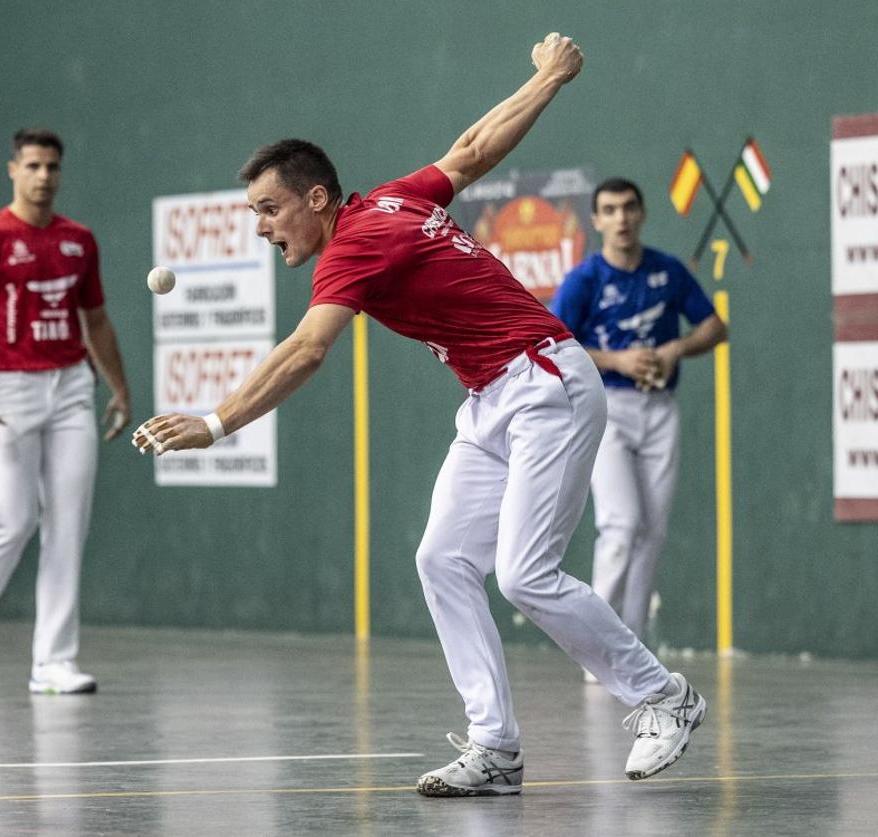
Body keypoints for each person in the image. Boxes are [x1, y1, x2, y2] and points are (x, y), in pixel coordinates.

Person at [132, 34, 708, 796]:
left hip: (546, 383)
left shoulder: (351, 249)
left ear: (316, 199)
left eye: (269, 210)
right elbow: (472, 149)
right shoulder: (397, 197)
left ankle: (663, 696)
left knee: (527, 573)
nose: (263, 227)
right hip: (492, 398)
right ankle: (495, 745)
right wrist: (547, 78)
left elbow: (306, 350)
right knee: (443, 558)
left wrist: (215, 421)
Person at [0, 128, 131, 695]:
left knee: (68, 523)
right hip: (7, 390)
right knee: (14, 518)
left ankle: (53, 661)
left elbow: (95, 320)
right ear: (13, 170)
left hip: (71, 387)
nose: (44, 175)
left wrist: (118, 387)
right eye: (34, 166)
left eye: (53, 167)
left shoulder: (79, 241)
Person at [551, 180, 727, 655]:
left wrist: (674, 350)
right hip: (606, 410)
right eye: (610, 210)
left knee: (651, 531)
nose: (622, 218)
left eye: (630, 207)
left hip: (660, 411)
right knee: (622, 524)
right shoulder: (583, 280)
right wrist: (617, 360)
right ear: (597, 221)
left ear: (642, 213)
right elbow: (553, 348)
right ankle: (595, 648)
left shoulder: (667, 271)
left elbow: (714, 327)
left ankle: (629, 650)